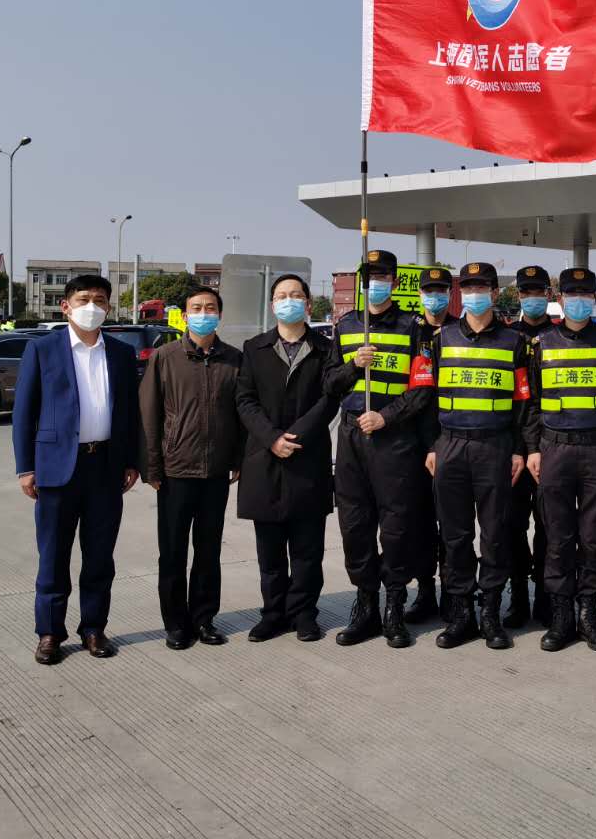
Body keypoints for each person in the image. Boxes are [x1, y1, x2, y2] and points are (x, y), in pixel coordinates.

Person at [12, 275, 141, 665]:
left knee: (100, 557)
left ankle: (94, 629)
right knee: (53, 555)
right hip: (56, 468)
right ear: (65, 306)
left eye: (100, 300)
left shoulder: (121, 353)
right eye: (83, 299)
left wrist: (131, 460)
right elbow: (24, 413)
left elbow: (129, 412)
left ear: (109, 307)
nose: (92, 307)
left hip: (105, 466)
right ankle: (50, 632)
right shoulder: (43, 349)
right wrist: (25, 468)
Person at [329, 249, 434, 649]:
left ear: (394, 281)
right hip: (352, 436)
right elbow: (329, 383)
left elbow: (422, 389)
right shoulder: (346, 326)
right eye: (369, 276)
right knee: (354, 523)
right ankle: (365, 605)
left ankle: (394, 605)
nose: (375, 283)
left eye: (383, 276)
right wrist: (353, 365)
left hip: (394, 438)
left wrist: (386, 417)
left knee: (396, 525)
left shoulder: (414, 328)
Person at [235, 274, 348, 643]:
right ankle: (273, 614)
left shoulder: (325, 348)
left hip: (307, 457)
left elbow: (330, 398)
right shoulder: (254, 348)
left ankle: (304, 614)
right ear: (273, 306)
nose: (289, 301)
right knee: (269, 552)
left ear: (308, 304)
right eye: (282, 296)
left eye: (296, 295)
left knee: (307, 550)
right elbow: (244, 400)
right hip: (264, 459)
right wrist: (271, 438)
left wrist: (294, 437)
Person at [425, 262, 531, 650]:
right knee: (455, 536)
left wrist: (518, 450)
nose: (474, 294)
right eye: (468, 287)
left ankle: (490, 613)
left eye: (481, 287)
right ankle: (461, 615)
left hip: (495, 446)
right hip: (450, 445)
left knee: (495, 534)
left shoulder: (515, 341)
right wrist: (432, 445)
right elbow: (427, 397)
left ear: (494, 292)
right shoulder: (442, 338)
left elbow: (523, 402)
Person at [523, 268, 596, 652]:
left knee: (593, 537)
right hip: (555, 449)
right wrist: (533, 449)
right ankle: (561, 615)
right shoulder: (541, 344)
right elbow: (532, 403)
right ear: (560, 299)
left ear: (595, 298)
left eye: (586, 293)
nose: (579, 300)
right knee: (558, 536)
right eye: (572, 293)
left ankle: (589, 613)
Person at [139, 285, 244, 650]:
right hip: (175, 471)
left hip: (215, 472)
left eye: (210, 307)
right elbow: (149, 414)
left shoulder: (234, 359)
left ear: (220, 314)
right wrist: (152, 467)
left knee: (208, 551)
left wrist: (237, 459)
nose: (203, 313)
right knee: (172, 552)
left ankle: (204, 619)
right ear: (184, 316)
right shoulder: (165, 357)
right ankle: (175, 623)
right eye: (196, 308)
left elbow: (242, 414)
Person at [505, 264, 553, 629]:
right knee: (513, 526)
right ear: (518, 296)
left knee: (550, 526)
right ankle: (518, 597)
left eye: (539, 291)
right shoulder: (507, 338)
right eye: (526, 292)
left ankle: (547, 596)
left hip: (551, 448)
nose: (532, 297)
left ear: (549, 295)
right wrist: (518, 449)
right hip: (515, 450)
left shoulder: (560, 336)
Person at [408, 265, 454, 622]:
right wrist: (427, 445)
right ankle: (425, 591)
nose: (434, 296)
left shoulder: (459, 331)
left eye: (441, 290)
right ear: (420, 294)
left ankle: (454, 594)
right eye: (429, 290)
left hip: (453, 440)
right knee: (421, 523)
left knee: (454, 524)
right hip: (415, 442)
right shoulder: (411, 331)